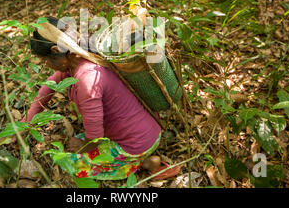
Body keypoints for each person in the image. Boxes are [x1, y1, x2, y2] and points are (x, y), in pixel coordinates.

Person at [21, 17, 180, 181]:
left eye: (45, 60)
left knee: (65, 161)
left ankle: (142, 163)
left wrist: (83, 147)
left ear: (56, 50)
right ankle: (139, 160)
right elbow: (47, 89)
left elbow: (95, 137)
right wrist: (26, 122)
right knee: (72, 143)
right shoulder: (82, 58)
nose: (46, 64)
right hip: (149, 130)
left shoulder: (86, 79)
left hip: (135, 144)